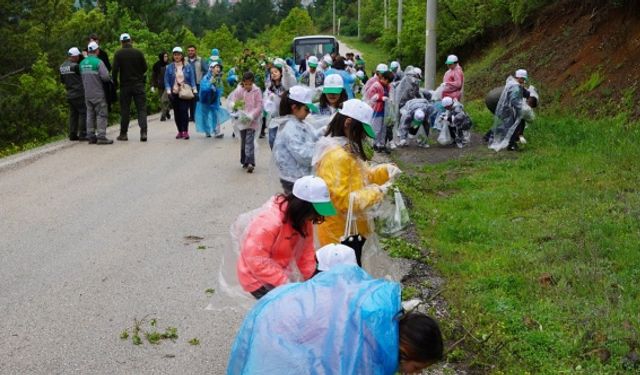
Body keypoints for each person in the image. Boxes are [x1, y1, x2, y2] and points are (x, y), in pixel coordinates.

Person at [227, 264, 443, 374]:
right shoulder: (366, 356)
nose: (414, 374)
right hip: (279, 331)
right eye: (416, 368)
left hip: (280, 305)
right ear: (407, 350)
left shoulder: (381, 319)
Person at [313, 99, 401, 247]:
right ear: (348, 123)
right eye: (361, 131)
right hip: (338, 236)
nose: (363, 137)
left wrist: (385, 171)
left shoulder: (346, 149)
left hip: (351, 230)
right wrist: (378, 192)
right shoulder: (337, 156)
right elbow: (344, 202)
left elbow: (363, 177)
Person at [236, 175, 337, 299]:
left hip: (279, 271)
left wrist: (313, 280)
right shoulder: (269, 222)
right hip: (255, 277)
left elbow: (306, 254)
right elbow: (256, 259)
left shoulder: (303, 221)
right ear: (302, 206)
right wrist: (286, 283)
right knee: (281, 309)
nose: (314, 218)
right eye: (314, 213)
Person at [272, 86, 322, 193]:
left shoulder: (299, 123)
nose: (309, 113)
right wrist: (322, 151)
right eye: (306, 109)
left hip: (299, 178)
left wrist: (328, 130)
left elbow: (314, 135)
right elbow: (303, 156)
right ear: (294, 107)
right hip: (293, 179)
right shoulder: (289, 128)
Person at [112, 33, 148, 142]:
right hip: (138, 84)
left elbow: (114, 71)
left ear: (121, 42)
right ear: (130, 40)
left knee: (125, 110)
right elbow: (145, 68)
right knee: (141, 109)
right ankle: (143, 132)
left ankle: (123, 133)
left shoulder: (118, 54)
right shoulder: (138, 53)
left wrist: (115, 84)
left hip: (125, 86)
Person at [486, 69, 530, 151]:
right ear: (519, 78)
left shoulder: (514, 83)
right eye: (523, 79)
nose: (524, 81)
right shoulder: (515, 87)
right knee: (512, 123)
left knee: (509, 123)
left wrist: (528, 93)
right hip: (499, 104)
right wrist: (523, 109)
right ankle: (511, 144)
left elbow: (525, 93)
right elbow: (514, 101)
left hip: (500, 103)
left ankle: (489, 136)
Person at [228, 71, 263, 173]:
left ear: (253, 83)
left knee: (249, 141)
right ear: (243, 83)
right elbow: (234, 101)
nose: (248, 86)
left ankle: (251, 162)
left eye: (250, 84)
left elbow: (259, 106)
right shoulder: (239, 91)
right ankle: (244, 160)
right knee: (244, 141)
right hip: (242, 121)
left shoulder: (257, 91)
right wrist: (235, 107)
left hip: (252, 121)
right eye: (246, 84)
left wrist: (252, 115)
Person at [80, 41, 113, 144]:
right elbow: (106, 77)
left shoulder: (82, 63)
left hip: (87, 93)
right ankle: (101, 137)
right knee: (101, 114)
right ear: (96, 50)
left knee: (90, 114)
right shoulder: (98, 62)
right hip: (98, 93)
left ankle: (91, 136)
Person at [164, 46, 197, 140]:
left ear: (182, 55)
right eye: (175, 55)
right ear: (173, 56)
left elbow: (192, 79)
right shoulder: (169, 67)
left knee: (184, 111)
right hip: (174, 92)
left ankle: (185, 131)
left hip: (184, 92)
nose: (177, 56)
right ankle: (179, 131)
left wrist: (194, 90)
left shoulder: (187, 66)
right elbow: (166, 80)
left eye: (178, 54)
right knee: (177, 113)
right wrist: (169, 92)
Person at [264, 60, 295, 149]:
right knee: (272, 139)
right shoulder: (270, 87)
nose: (273, 74)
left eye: (276, 72)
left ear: (281, 73)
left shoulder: (285, 84)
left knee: (284, 140)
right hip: (274, 117)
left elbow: (290, 79)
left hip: (285, 116)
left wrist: (284, 67)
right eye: (271, 73)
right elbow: (265, 100)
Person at [195, 62, 230, 138]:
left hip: (214, 100)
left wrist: (217, 90)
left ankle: (216, 131)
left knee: (215, 115)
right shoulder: (206, 78)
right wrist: (210, 83)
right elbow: (204, 88)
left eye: (219, 67)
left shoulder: (218, 79)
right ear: (211, 69)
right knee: (205, 116)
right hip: (205, 100)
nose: (218, 69)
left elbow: (221, 89)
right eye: (216, 67)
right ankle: (207, 131)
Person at [59, 47, 87, 141]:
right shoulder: (76, 66)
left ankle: (72, 134)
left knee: (73, 114)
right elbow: (84, 75)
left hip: (69, 93)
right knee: (83, 113)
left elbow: (62, 81)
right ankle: (83, 134)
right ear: (75, 56)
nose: (79, 57)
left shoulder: (62, 66)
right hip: (79, 92)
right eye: (78, 56)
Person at [368, 70, 394, 153]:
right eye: (387, 81)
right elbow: (370, 97)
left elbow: (390, 95)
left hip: (385, 110)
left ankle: (382, 144)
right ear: (383, 78)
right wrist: (380, 97)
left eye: (389, 82)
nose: (387, 83)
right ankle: (375, 144)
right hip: (377, 110)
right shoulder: (376, 85)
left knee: (384, 128)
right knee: (377, 128)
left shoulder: (388, 86)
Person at [186, 45, 204, 122]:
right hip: (187, 84)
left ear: (195, 51)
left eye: (192, 50)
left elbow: (206, 70)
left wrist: (203, 80)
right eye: (189, 50)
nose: (190, 52)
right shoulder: (184, 60)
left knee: (197, 99)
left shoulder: (200, 60)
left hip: (198, 83)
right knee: (189, 100)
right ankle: (192, 116)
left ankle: (197, 116)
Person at [151, 51, 171, 121]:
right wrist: (153, 85)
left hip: (168, 85)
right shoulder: (156, 65)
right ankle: (167, 111)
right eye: (165, 56)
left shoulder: (169, 65)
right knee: (162, 101)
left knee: (164, 99)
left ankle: (163, 115)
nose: (166, 58)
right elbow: (154, 76)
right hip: (160, 85)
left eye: (167, 56)